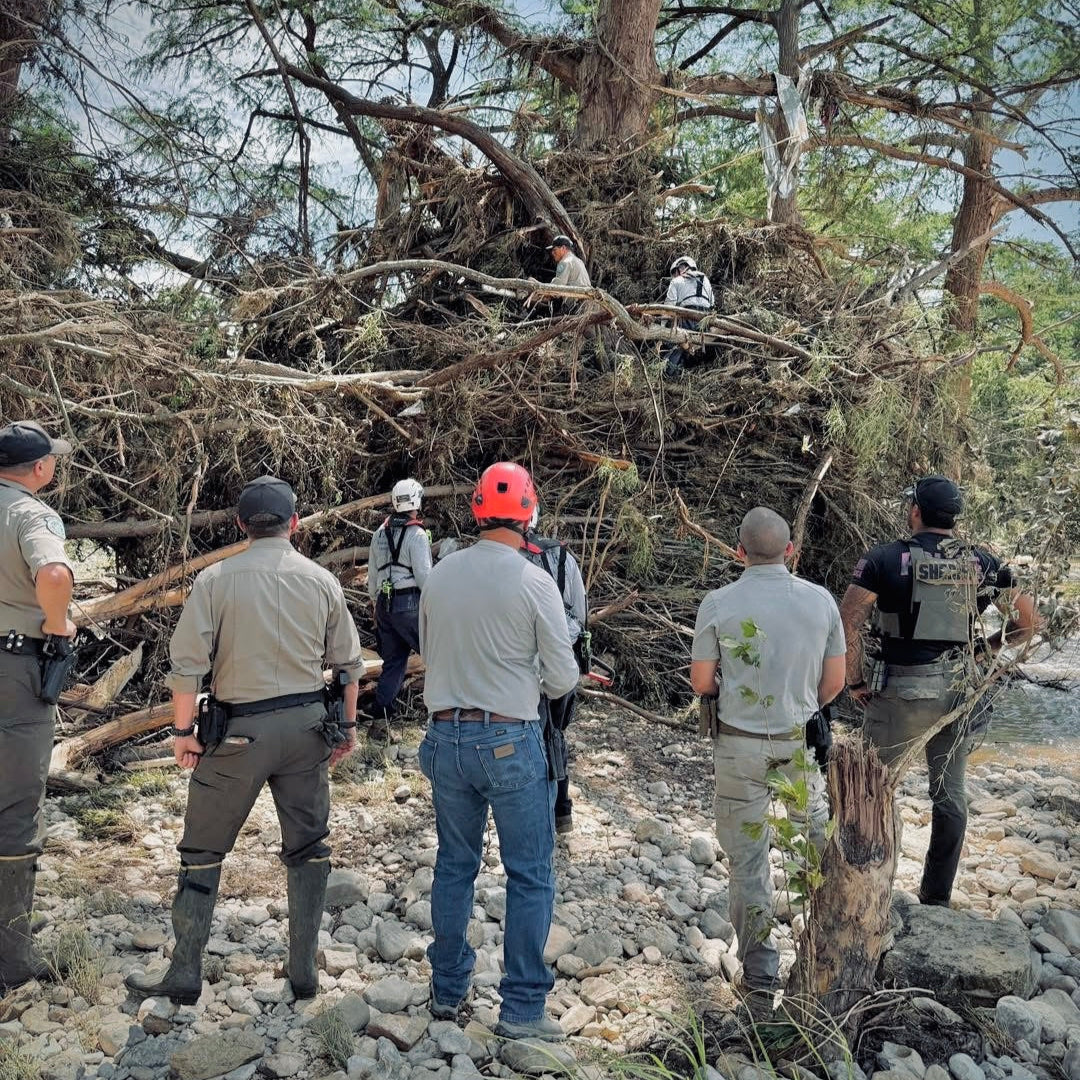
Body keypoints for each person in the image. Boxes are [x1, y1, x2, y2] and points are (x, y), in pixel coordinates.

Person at [126, 476, 364, 1005]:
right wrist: (346, 728)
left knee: (202, 849)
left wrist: (183, 734)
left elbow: (187, 668)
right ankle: (303, 971)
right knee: (309, 846)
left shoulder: (215, 580)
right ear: (294, 523)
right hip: (307, 729)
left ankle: (185, 972)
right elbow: (349, 666)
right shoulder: (322, 580)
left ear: (240, 525)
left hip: (238, 734)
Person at [418, 462, 579, 1041]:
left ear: (477, 511)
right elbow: (562, 678)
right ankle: (522, 1009)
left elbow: (429, 649)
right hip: (509, 740)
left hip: (444, 737)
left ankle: (447, 990)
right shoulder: (535, 582)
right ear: (529, 514)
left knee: (454, 865)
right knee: (529, 873)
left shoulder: (440, 574)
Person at [839, 474, 1037, 908]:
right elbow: (1028, 622)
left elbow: (848, 622)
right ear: (954, 518)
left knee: (872, 789)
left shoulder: (883, 559)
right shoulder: (983, 562)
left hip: (900, 695)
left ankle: (868, 893)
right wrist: (986, 649)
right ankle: (936, 896)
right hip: (960, 693)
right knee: (950, 796)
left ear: (915, 511)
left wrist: (854, 682)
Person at [690, 507, 845, 1016]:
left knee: (748, 862)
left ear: (740, 552)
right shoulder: (820, 601)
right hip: (798, 743)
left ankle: (758, 980)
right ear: (790, 551)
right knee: (815, 845)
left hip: (738, 746)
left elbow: (701, 681)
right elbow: (834, 683)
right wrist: (799, 704)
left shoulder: (718, 602)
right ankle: (829, 957)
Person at [0, 421, 76, 993]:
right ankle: (12, 960)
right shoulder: (29, 514)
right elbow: (52, 572)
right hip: (13, 669)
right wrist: (56, 622)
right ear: (41, 468)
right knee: (15, 811)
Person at [521, 503, 587, 834]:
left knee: (528, 735)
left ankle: (534, 813)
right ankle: (561, 811)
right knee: (555, 733)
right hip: (561, 659)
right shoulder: (562, 557)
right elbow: (580, 613)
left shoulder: (502, 560)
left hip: (520, 667)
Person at [366, 478, 432, 739]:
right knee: (437, 656)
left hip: (384, 605)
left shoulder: (378, 534)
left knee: (393, 664)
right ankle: (442, 715)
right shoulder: (417, 535)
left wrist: (377, 606)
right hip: (409, 604)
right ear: (416, 501)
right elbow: (425, 578)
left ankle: (379, 723)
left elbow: (373, 578)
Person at [664, 255, 715, 378]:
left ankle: (668, 373)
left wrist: (663, 327)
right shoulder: (705, 279)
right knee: (698, 346)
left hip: (687, 316)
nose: (675, 276)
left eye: (675, 272)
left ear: (681, 268)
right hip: (704, 319)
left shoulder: (676, 281)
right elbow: (712, 303)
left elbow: (668, 308)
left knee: (677, 343)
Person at [526, 235, 591, 314]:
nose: (552, 253)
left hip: (574, 307)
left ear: (563, 248)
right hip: (587, 304)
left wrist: (537, 288)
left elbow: (556, 290)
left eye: (554, 250)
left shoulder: (565, 262)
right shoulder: (578, 261)